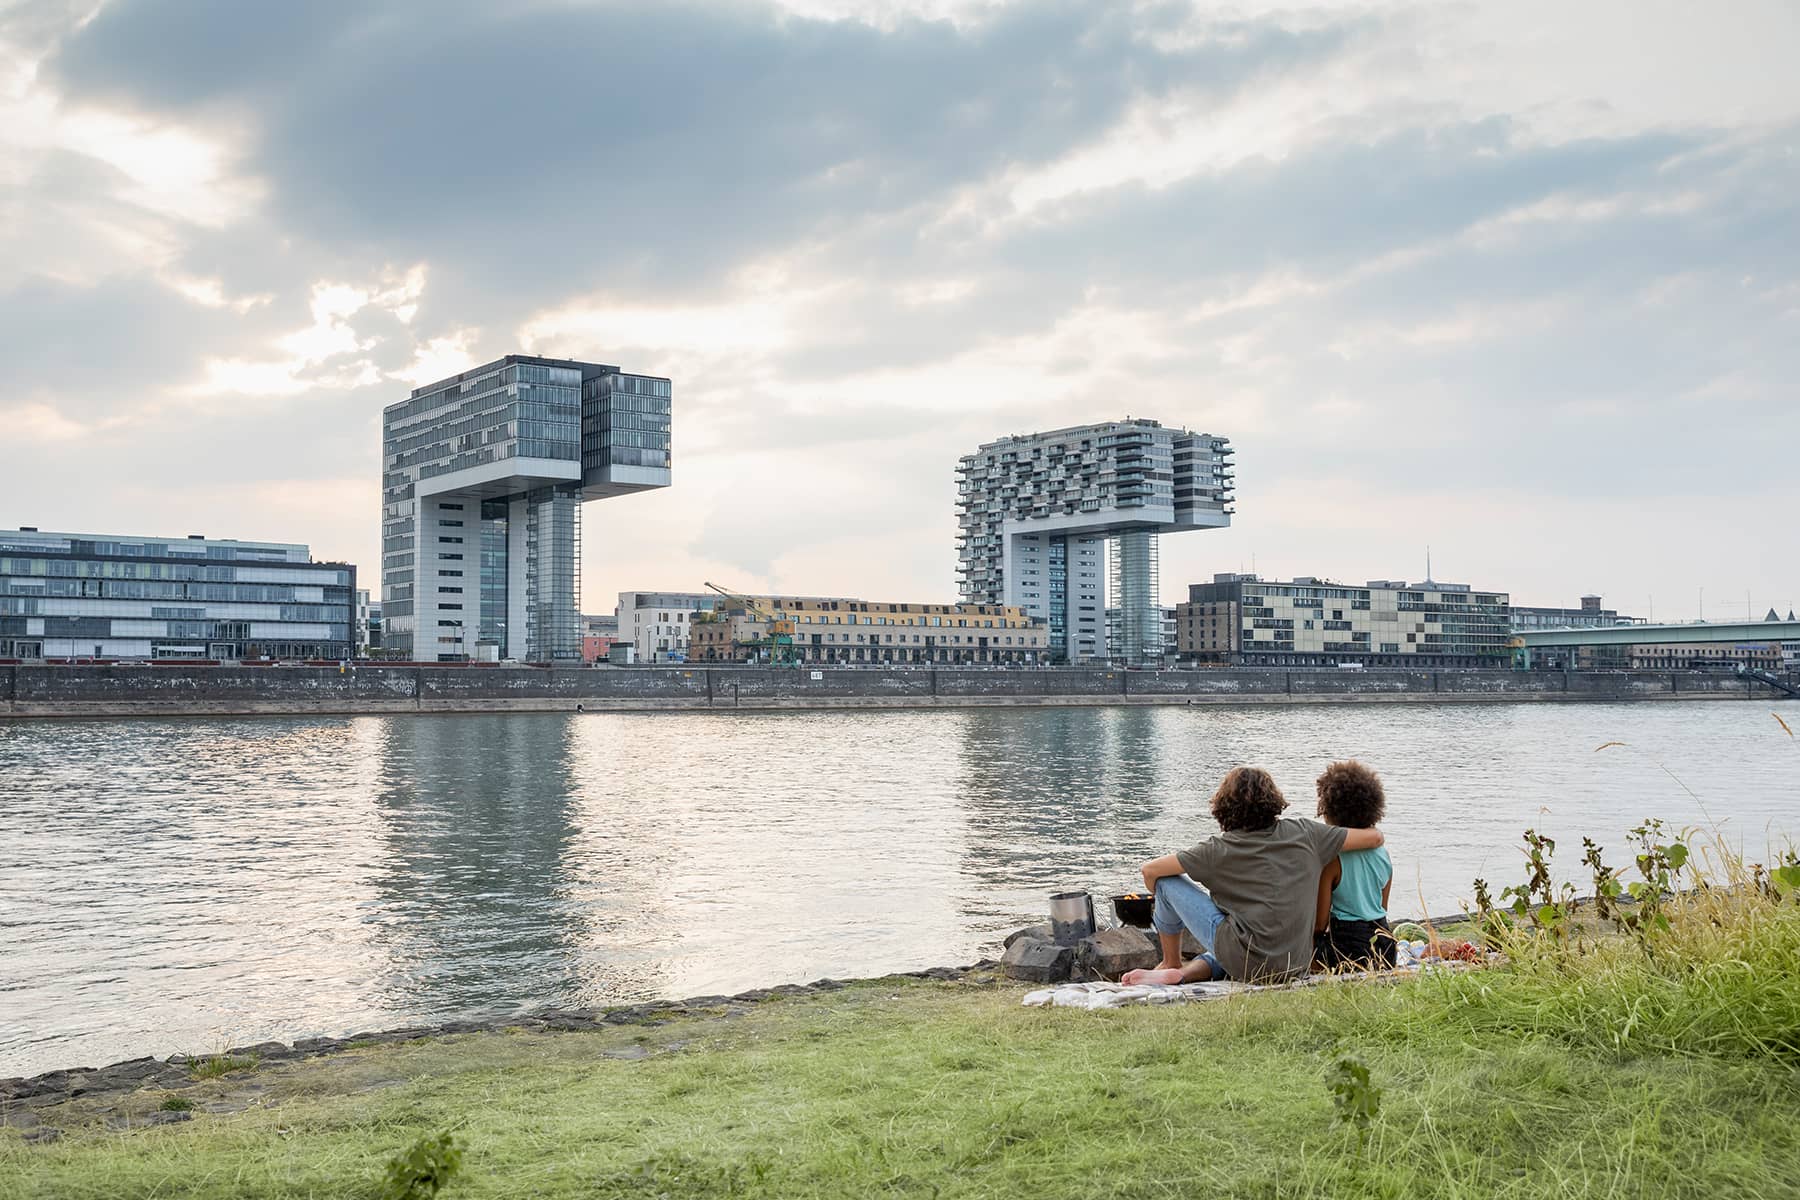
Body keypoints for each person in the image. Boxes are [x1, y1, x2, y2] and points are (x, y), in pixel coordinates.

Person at [1121, 766, 1384, 985]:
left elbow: (1150, 871)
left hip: (1246, 963)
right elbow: (1374, 838)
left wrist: (1164, 908)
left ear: (1223, 806)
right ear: (1273, 801)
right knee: (1245, 940)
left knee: (1166, 882)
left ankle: (1171, 962)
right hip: (1296, 962)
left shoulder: (1217, 850)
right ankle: (1184, 973)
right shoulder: (1307, 834)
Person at [1311, 760, 1397, 970]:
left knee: (1309, 944)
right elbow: (1381, 907)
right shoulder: (1383, 854)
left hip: (1347, 946)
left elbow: (1320, 924)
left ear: (1329, 810)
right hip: (1384, 943)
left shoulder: (1333, 859)